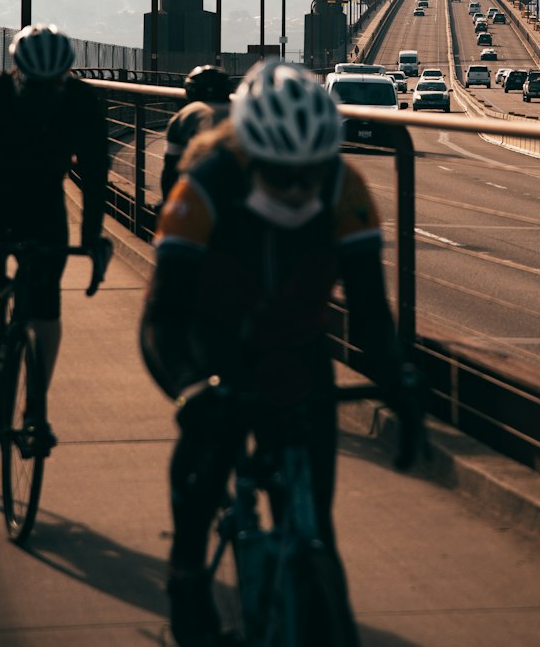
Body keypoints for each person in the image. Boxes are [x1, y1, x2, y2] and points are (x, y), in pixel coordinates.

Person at [141, 59, 419, 647]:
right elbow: (162, 319)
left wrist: (400, 381)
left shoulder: (345, 187)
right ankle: (187, 577)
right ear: (249, 154)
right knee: (208, 451)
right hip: (213, 337)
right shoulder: (205, 186)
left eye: (308, 175)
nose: (296, 187)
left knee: (316, 524)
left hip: (298, 344)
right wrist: (190, 386)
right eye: (279, 174)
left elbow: (370, 310)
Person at [0, 24, 110, 437]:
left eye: (53, 85)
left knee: (46, 306)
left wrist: (91, 239)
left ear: (65, 78)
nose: (44, 93)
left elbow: (94, 174)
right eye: (35, 85)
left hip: (43, 201)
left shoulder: (81, 101)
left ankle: (36, 407)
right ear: (18, 74)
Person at [161, 65, 232, 200]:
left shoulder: (186, 115)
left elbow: (170, 168)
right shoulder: (240, 112)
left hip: (199, 192)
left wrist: (167, 202)